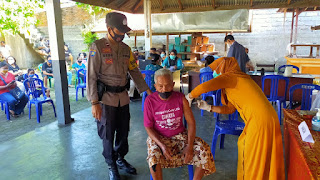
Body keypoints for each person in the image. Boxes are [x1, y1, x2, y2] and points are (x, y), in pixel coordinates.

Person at [186, 57, 285, 180]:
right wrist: (209, 107)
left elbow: (205, 86)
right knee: (262, 154)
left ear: (224, 68)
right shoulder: (237, 82)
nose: (215, 73)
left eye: (216, 70)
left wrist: (190, 96)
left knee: (249, 153)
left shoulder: (232, 77)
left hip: (259, 120)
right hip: (269, 118)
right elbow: (230, 109)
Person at [87, 12, 152, 180]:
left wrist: (147, 91)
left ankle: (121, 158)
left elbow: (134, 71)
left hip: (123, 98)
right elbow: (91, 76)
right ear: (109, 28)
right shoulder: (98, 47)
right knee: (108, 134)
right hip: (105, 99)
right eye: (119, 30)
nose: (122, 34)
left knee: (123, 132)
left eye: (124, 31)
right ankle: (111, 164)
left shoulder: (126, 49)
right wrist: (94, 102)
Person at [144, 69, 215, 180]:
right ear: (155, 86)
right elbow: (148, 127)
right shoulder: (150, 101)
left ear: (173, 85)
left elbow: (191, 123)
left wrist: (189, 146)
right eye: (160, 86)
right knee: (153, 157)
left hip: (180, 136)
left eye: (168, 86)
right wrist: (162, 146)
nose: (164, 89)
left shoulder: (181, 98)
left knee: (204, 149)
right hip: (159, 138)